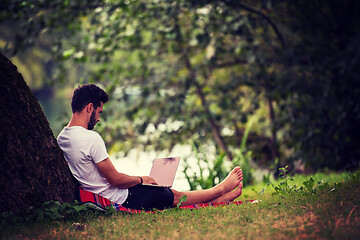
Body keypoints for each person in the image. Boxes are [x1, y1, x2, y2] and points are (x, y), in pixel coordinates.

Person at [57, 84, 244, 211]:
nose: (98, 119)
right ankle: (219, 191)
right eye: (99, 112)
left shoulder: (62, 138)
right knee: (171, 195)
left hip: (110, 194)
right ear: (89, 108)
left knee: (163, 192)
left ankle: (218, 199)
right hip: (123, 197)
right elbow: (115, 180)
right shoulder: (91, 138)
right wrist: (140, 179)